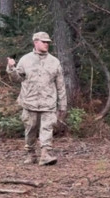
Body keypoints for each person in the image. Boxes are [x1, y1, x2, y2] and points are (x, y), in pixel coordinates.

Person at [6, 31, 67, 166]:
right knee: (30, 128)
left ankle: (45, 154)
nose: (46, 44)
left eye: (48, 42)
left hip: (48, 102)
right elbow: (17, 78)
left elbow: (61, 86)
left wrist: (62, 105)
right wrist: (11, 68)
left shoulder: (54, 62)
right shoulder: (25, 60)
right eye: (44, 42)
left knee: (47, 128)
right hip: (29, 102)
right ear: (36, 42)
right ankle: (31, 153)